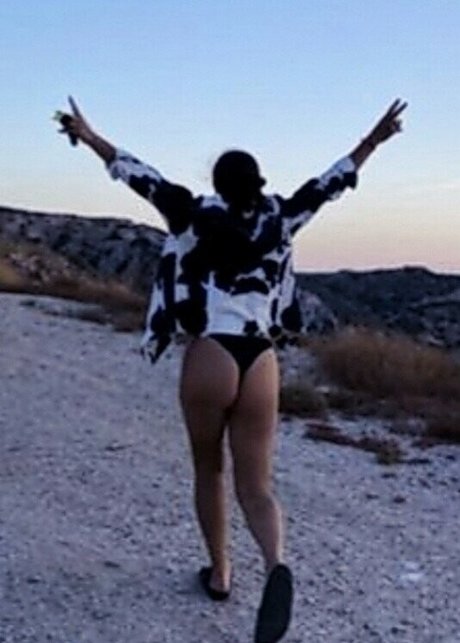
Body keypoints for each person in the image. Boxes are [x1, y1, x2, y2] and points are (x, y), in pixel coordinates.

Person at [56, 97, 407, 643]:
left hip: (212, 353)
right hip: (260, 358)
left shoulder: (191, 213)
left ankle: (220, 574)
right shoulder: (281, 218)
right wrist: (373, 141)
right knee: (257, 485)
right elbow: (330, 183)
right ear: (258, 182)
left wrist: (89, 135)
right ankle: (276, 563)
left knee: (209, 469)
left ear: (217, 183)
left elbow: (136, 173)